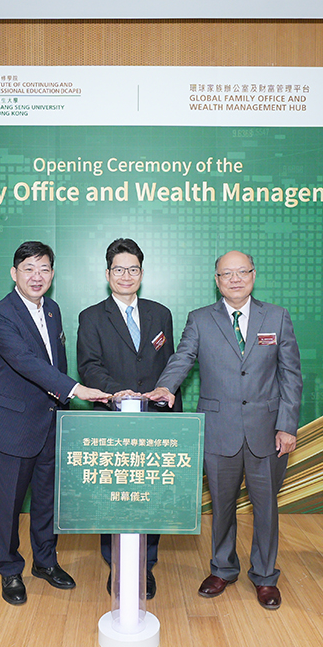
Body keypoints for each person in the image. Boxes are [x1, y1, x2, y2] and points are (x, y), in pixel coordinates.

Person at [146, 250, 302, 611]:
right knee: (222, 505)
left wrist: (287, 425)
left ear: (253, 275)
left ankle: (264, 576)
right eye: (226, 274)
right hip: (218, 429)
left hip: (268, 430)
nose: (234, 279)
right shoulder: (200, 319)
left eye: (241, 272)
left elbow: (290, 376)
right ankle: (222, 568)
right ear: (216, 280)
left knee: (266, 508)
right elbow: (182, 357)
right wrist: (166, 386)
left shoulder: (276, 317)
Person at [0, 241, 111, 605]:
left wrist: (65, 400)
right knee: (8, 505)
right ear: (14, 274)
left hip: (51, 423)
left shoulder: (52, 310)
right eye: (28, 269)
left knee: (46, 500)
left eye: (43, 269)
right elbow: (25, 361)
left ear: (52, 275)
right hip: (13, 426)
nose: (36, 276)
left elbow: (55, 363)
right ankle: (9, 570)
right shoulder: (0, 315)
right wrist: (75, 389)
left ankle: (44, 561)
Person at [76, 238, 178, 599]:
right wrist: (117, 392)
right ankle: (116, 562)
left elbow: (170, 363)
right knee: (114, 494)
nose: (126, 275)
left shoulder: (159, 313)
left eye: (133, 269)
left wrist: (165, 396)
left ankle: (146, 565)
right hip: (112, 417)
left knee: (152, 492)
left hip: (156, 419)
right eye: (118, 269)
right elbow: (88, 366)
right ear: (107, 274)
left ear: (141, 273)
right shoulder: (91, 317)